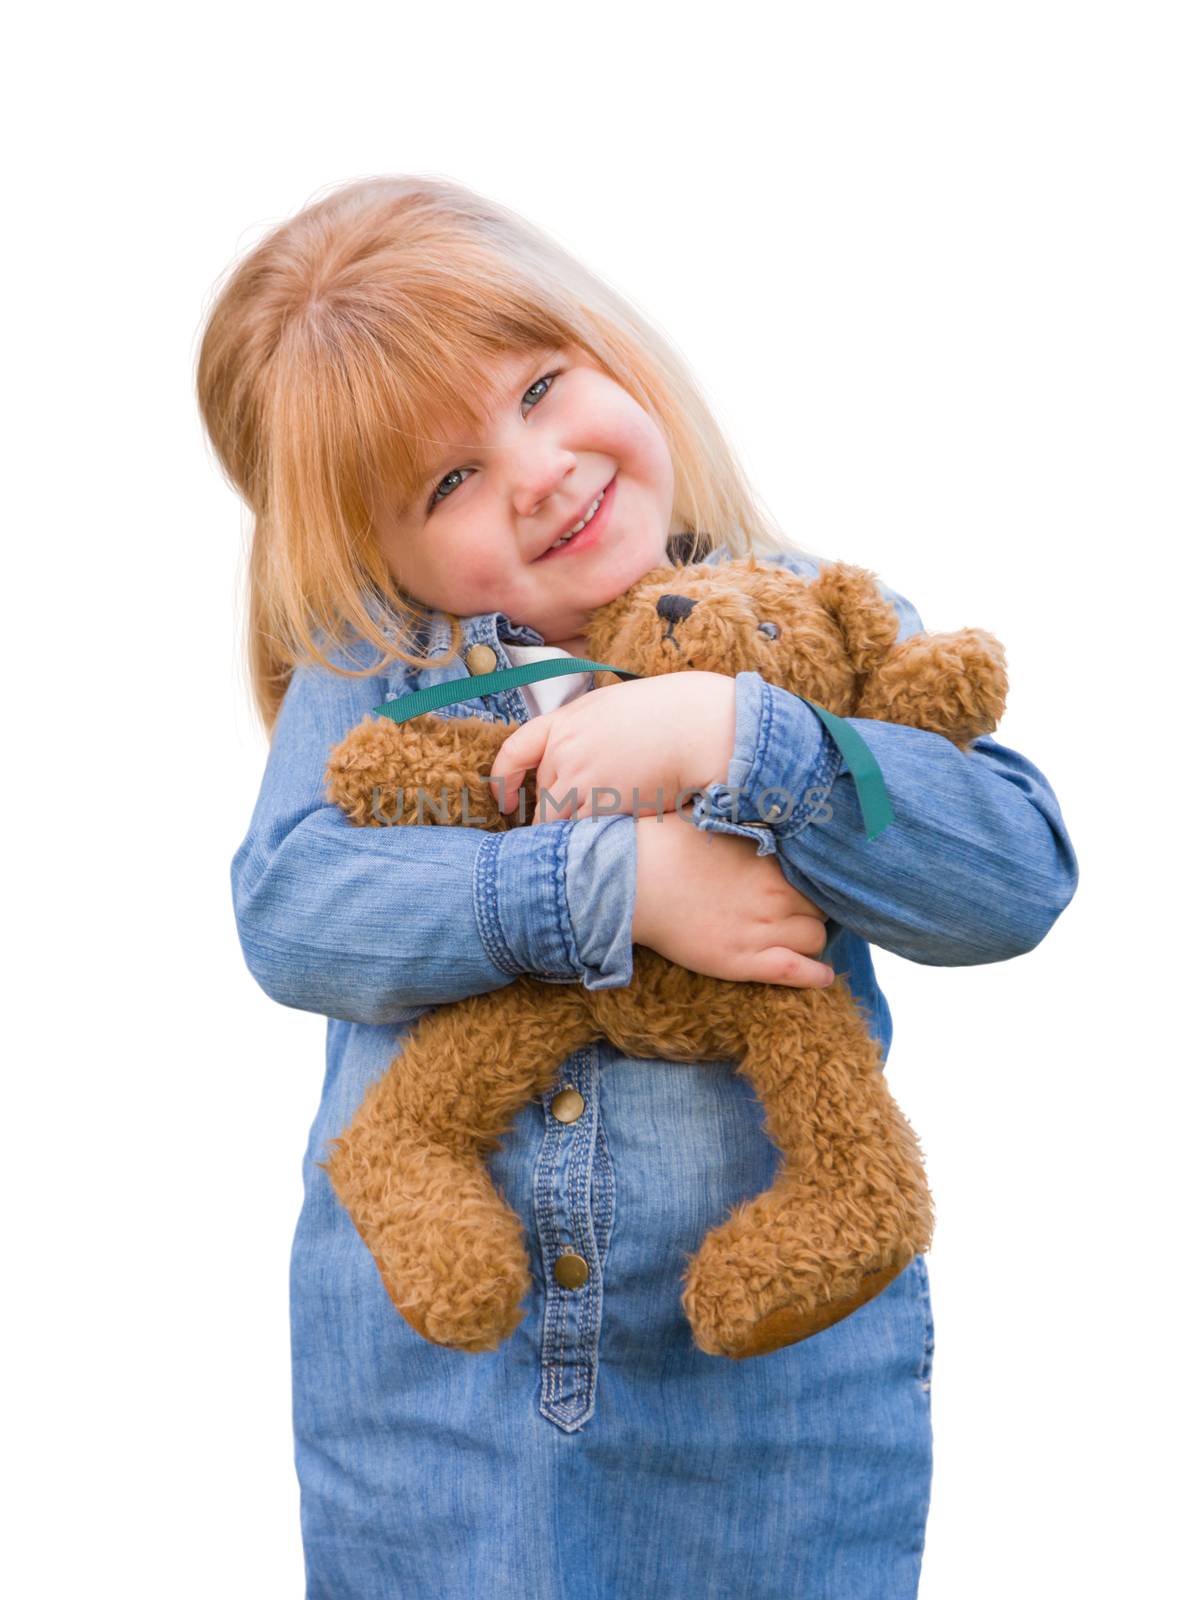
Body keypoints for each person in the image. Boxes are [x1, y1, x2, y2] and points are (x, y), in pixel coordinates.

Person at [197, 175, 1078, 1599]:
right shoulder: (387, 674)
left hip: (767, 1398)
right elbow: (293, 908)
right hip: (436, 1395)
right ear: (372, 556)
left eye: (540, 387)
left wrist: (749, 739)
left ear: (611, 348)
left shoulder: (805, 627)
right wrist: (611, 882)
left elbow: (1013, 876)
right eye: (447, 482)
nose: (535, 470)